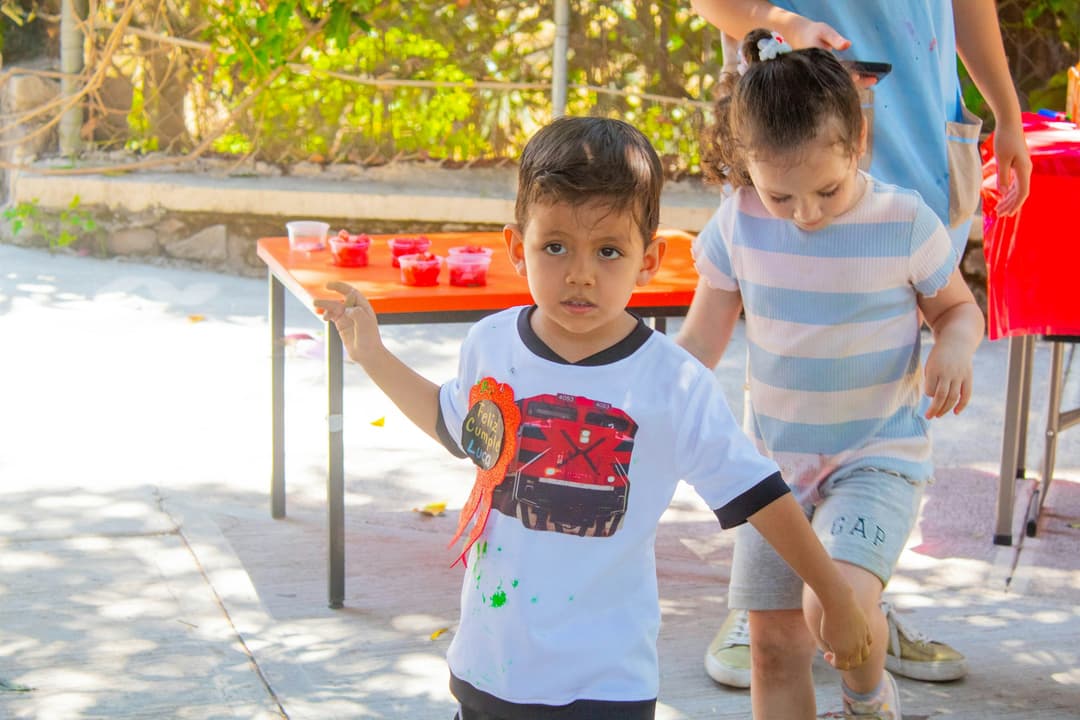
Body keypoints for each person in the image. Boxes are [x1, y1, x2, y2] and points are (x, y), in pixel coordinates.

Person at [315, 115, 872, 720]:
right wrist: (369, 352)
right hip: (488, 667)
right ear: (515, 247)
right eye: (555, 247)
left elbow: (759, 493)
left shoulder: (673, 383)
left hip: (605, 684)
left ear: (649, 259)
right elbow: (456, 428)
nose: (580, 273)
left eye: (609, 251)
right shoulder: (490, 344)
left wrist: (834, 593)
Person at [688, 0, 1033, 688]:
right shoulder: (741, 222)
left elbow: (959, 312)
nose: (807, 215)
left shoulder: (901, 219)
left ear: (860, 146)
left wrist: (954, 348)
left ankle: (869, 697)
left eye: (826, 190)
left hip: (874, 458)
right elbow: (699, 341)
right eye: (783, 198)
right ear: (745, 166)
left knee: (833, 606)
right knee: (773, 649)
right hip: (773, 474)